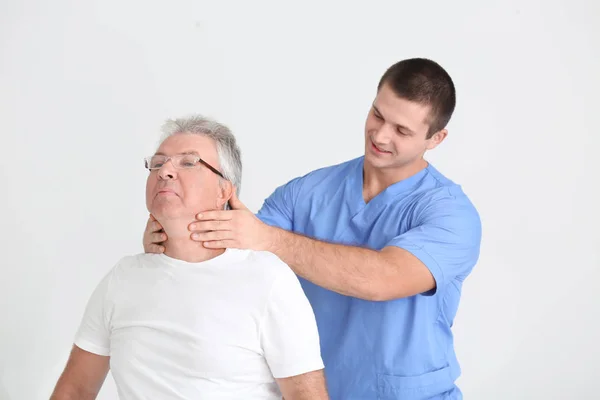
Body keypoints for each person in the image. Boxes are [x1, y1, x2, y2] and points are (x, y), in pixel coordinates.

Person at [144, 58, 482, 399]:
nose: (380, 135)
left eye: (402, 130)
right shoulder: (306, 193)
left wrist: (271, 240)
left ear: (436, 138)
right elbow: (232, 257)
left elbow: (381, 278)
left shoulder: (451, 215)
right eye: (378, 115)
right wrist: (171, 236)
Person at [51, 116, 329, 400]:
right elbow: (75, 390)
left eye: (188, 163)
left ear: (224, 190)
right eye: (157, 163)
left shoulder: (268, 280)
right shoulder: (123, 278)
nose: (165, 171)